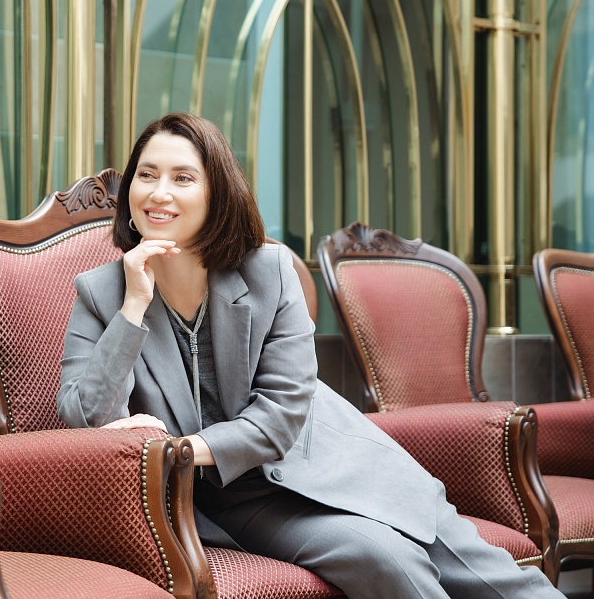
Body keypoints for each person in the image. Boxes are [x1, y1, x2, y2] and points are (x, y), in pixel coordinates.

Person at [56, 112, 564, 599]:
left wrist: (178, 449)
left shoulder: (269, 271)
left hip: (333, 463)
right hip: (240, 502)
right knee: (386, 557)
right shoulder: (102, 293)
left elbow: (280, 416)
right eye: (146, 175)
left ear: (216, 196)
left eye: (182, 178)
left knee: (491, 576)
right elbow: (85, 420)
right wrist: (133, 308)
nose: (159, 193)